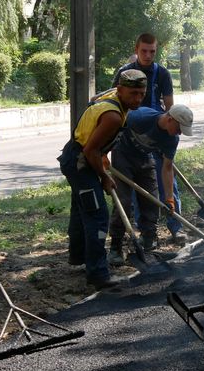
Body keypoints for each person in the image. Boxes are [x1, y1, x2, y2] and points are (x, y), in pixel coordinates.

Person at [58, 69, 147, 289]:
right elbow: (90, 150)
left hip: (77, 158)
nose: (137, 99)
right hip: (80, 163)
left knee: (81, 212)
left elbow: (95, 139)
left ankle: (78, 257)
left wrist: (102, 155)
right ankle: (98, 274)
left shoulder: (112, 100)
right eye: (133, 93)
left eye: (141, 94)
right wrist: (104, 177)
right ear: (120, 90)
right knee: (97, 216)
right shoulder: (114, 116)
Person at [112, 33, 185, 245]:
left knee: (167, 181)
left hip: (159, 128)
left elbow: (171, 107)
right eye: (144, 51)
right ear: (136, 50)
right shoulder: (125, 73)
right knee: (139, 187)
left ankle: (176, 226)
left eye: (152, 51)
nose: (148, 55)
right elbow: (116, 104)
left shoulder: (162, 73)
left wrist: (168, 133)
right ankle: (143, 231)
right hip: (133, 131)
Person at [108, 104, 194, 265]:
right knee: (124, 202)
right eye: (179, 128)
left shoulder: (171, 138)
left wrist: (169, 199)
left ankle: (147, 241)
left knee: (151, 201)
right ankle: (116, 247)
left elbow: (167, 168)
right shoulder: (139, 117)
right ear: (169, 119)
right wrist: (102, 153)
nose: (180, 132)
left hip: (145, 158)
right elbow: (111, 125)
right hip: (122, 156)